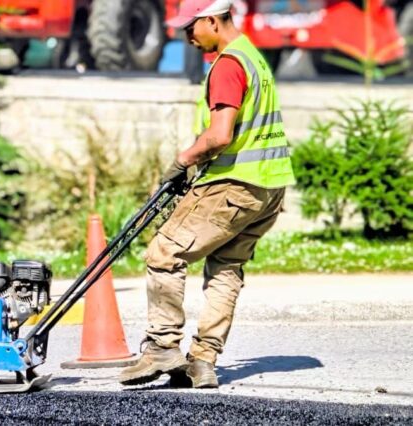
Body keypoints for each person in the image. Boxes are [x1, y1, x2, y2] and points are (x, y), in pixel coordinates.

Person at [118, 0, 296, 388]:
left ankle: (161, 347)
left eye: (191, 27)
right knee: (226, 268)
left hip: (234, 183)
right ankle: (203, 362)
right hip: (269, 187)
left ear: (213, 21)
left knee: (164, 253)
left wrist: (183, 160)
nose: (187, 36)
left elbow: (220, 135)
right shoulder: (253, 57)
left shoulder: (229, 64)